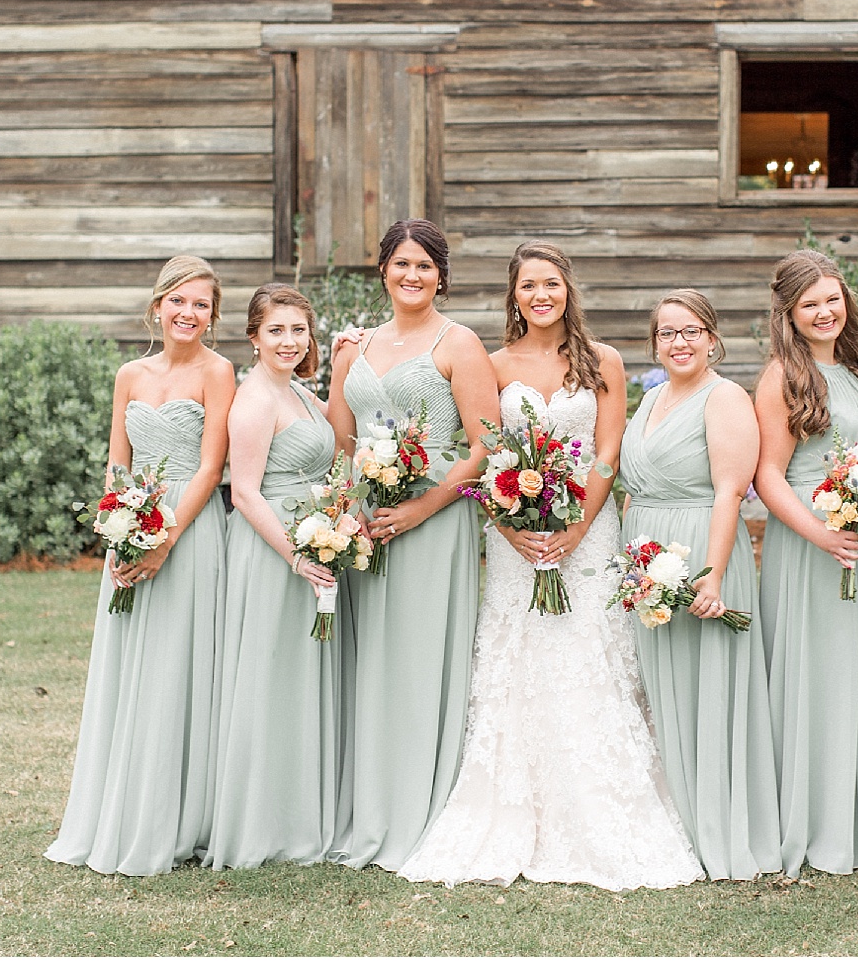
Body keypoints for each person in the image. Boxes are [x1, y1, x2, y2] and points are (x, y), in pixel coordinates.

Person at [398, 242, 702, 891]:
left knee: (587, 654)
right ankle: (511, 807)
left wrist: (574, 529)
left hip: (586, 537)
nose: (541, 294)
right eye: (529, 284)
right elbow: (484, 455)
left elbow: (608, 452)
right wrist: (512, 527)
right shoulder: (494, 361)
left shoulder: (604, 362)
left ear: (568, 290)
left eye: (552, 283)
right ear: (514, 294)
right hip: (515, 544)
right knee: (522, 659)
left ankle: (601, 809)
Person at [45, 256, 235, 876]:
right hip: (129, 531)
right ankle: (117, 808)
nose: (189, 313)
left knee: (177, 667)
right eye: (179, 301)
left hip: (190, 530)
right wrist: (118, 528)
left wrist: (166, 536)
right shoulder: (129, 373)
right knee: (129, 669)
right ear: (157, 306)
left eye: (202, 304)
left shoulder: (219, 372)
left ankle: (177, 819)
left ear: (213, 315)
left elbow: (211, 468)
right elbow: (116, 464)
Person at [325, 219, 498, 872]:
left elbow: (486, 446)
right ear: (383, 270)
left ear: (441, 275)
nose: (412, 275)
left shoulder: (459, 345)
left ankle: (421, 807)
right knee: (372, 661)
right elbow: (341, 442)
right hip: (367, 524)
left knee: (420, 659)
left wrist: (422, 507)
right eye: (401, 263)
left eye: (424, 265)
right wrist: (341, 513)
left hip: (435, 517)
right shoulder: (354, 348)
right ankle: (370, 805)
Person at [752, 250, 858, 878]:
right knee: (818, 673)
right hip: (809, 544)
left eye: (832, 299)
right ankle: (815, 820)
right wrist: (819, 533)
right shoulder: (783, 378)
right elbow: (769, 474)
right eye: (810, 304)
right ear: (789, 315)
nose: (825, 313)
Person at [618, 290, 783, 880]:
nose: (679, 342)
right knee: (661, 686)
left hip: (700, 548)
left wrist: (711, 575)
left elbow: (730, 492)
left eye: (691, 331)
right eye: (667, 333)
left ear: (713, 338)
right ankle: (672, 818)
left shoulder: (726, 397)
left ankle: (716, 821)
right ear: (655, 343)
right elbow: (634, 485)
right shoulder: (653, 396)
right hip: (646, 555)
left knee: (706, 687)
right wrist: (628, 561)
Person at [203, 285, 341, 868]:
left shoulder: (301, 393)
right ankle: (258, 824)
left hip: (311, 541)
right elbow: (243, 491)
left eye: (298, 330)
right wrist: (295, 555)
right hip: (272, 553)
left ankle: (296, 814)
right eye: (276, 331)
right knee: (266, 681)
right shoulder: (256, 398)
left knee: (296, 683)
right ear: (254, 338)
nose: (290, 341)